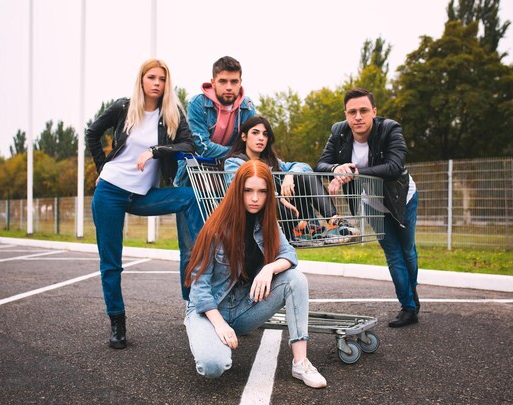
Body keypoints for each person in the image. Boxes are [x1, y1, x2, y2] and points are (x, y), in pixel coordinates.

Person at [86, 59, 203, 349]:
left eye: (162, 79)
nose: (157, 83)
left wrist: (156, 150)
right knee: (111, 263)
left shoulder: (172, 113)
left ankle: (201, 265)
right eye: (151, 77)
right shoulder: (123, 107)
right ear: (141, 80)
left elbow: (190, 146)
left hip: (141, 196)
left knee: (190, 198)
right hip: (111, 191)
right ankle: (117, 321)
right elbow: (92, 132)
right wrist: (102, 168)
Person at [183, 160, 327, 388]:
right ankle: (201, 334)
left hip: (244, 307)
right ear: (237, 190)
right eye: (248, 191)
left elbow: (290, 255)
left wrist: (269, 269)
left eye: (261, 192)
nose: (254, 198)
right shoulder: (216, 227)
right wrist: (219, 325)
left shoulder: (267, 222)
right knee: (213, 366)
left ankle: (301, 363)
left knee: (295, 279)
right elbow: (199, 287)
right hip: (208, 311)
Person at [316, 88, 420, 328]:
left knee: (408, 253)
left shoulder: (390, 129)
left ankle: (412, 298)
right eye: (352, 112)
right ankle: (408, 308)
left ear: (374, 112)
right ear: (346, 114)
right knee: (393, 256)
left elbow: (394, 166)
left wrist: (353, 172)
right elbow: (321, 163)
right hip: (372, 203)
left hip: (401, 198)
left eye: (363, 110)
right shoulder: (339, 132)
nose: (358, 117)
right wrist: (335, 170)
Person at [224, 116, 357, 244]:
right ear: (244, 136)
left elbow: (305, 167)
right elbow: (238, 189)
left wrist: (290, 175)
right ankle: (300, 227)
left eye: (265, 134)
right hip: (257, 214)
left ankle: (335, 222)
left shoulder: (272, 162)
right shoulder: (234, 162)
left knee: (306, 176)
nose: (261, 138)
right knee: (266, 195)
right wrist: (277, 196)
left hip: (285, 212)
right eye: (255, 133)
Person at [174, 56, 256, 187]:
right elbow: (202, 147)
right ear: (213, 83)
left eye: (234, 81)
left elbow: (254, 143)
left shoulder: (248, 107)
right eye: (223, 81)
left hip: (230, 172)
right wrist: (239, 154)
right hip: (196, 174)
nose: (229, 87)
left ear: (240, 82)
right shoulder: (198, 104)